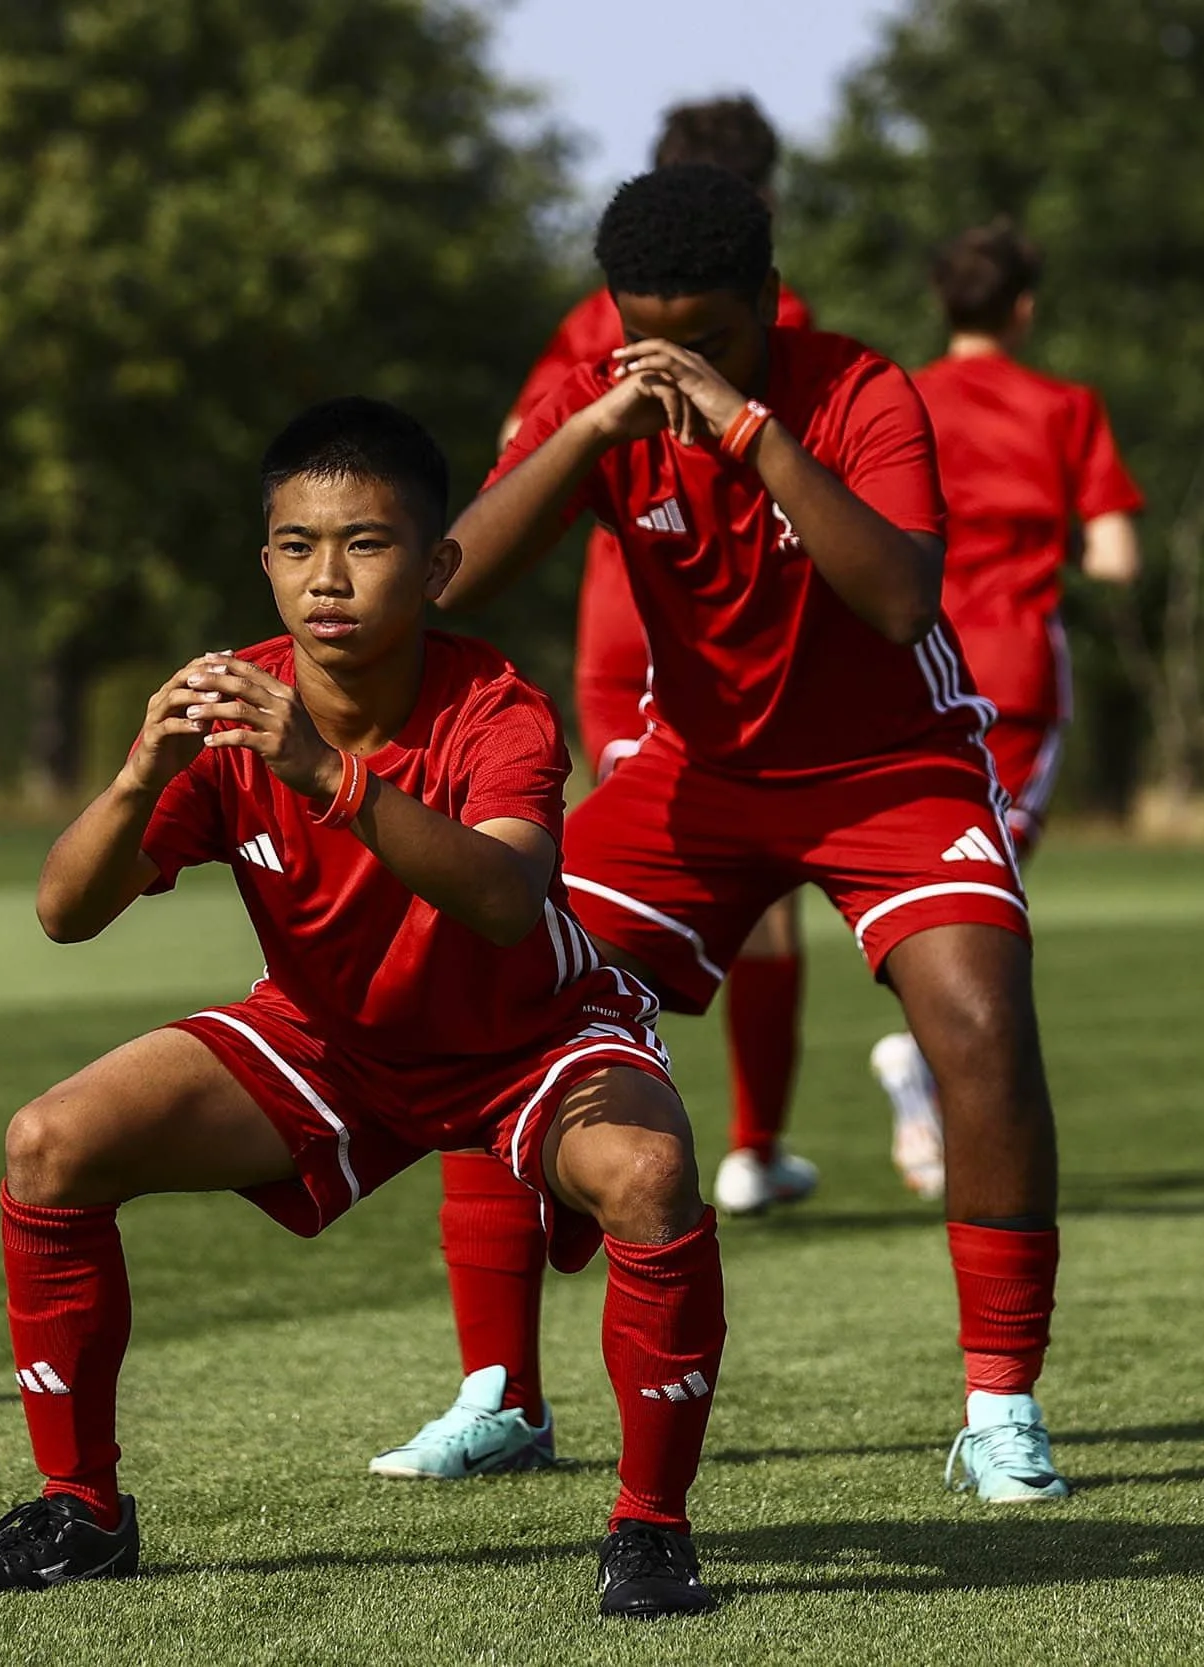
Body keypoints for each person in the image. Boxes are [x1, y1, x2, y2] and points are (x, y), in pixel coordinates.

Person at [0, 398, 727, 1619]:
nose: (327, 576)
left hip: (533, 1039)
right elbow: (64, 911)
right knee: (49, 1143)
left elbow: (507, 900)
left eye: (366, 542)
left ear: (437, 565)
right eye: (297, 545)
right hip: (333, 1040)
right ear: (266, 561)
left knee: (649, 1173)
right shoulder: (234, 707)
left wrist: (329, 777)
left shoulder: (497, 705)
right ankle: (80, 1512)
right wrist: (140, 775)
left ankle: (652, 1528)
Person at [430, 165, 1074, 1504]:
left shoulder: (860, 390)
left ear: (769, 303)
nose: (674, 366)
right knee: (491, 981)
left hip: (893, 768)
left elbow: (900, 600)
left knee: (980, 1020)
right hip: (699, 775)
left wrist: (750, 432)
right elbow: (451, 580)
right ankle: (501, 1394)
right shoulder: (601, 400)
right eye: (646, 336)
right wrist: (585, 431)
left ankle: (1001, 1406)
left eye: (709, 339)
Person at [371, 98, 814, 1490]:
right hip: (649, 666)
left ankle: (713, 1155)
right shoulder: (611, 334)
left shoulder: (793, 343)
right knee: (509, 958)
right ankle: (510, 1367)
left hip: (753, 698)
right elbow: (522, 484)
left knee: (559, 955)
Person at [502, 95, 821, 1218]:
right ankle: (725, 1147)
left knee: (609, 900)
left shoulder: (597, 315)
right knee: (746, 890)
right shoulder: (763, 313)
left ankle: (597, 1135)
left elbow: (516, 444)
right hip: (698, 637)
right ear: (761, 199)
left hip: (613, 623)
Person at [871, 220, 1144, 1199]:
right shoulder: (1066, 406)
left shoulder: (892, 396)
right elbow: (1115, 557)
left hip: (905, 661)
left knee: (923, 868)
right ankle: (928, 1066)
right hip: (1015, 672)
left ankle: (927, 1074)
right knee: (986, 882)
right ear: (1023, 308)